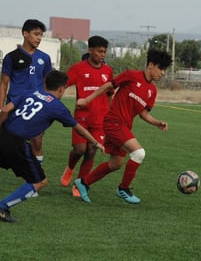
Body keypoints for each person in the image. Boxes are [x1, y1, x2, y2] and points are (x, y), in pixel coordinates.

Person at [0, 70, 105, 223]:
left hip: (2, 134)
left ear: (45, 84)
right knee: (40, 182)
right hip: (17, 143)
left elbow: (5, 109)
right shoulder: (57, 106)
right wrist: (96, 142)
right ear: (62, 89)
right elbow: (79, 129)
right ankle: (1, 208)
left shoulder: (31, 92)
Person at [73, 49, 172, 204]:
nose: (163, 73)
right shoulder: (131, 75)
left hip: (124, 126)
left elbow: (144, 114)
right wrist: (87, 100)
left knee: (115, 164)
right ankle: (123, 189)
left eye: (165, 70)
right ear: (151, 65)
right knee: (139, 153)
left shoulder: (152, 90)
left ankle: (83, 183)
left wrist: (157, 122)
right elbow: (107, 87)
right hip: (113, 122)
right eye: (161, 68)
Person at [60, 36, 114, 197]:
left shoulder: (108, 71)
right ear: (90, 50)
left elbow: (110, 93)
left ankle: (80, 183)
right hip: (82, 118)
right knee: (79, 149)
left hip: (100, 119)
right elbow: (62, 86)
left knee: (91, 151)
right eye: (99, 51)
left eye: (104, 51)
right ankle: (70, 168)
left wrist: (111, 114)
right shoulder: (78, 68)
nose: (102, 54)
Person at [0, 19, 52, 165]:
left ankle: (36, 177)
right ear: (25, 34)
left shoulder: (45, 58)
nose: (39, 38)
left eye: (41, 35)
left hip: (36, 106)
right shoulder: (11, 57)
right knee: (6, 143)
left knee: (37, 140)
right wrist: (0, 108)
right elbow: (3, 84)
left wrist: (47, 105)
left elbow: (48, 85)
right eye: (36, 34)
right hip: (14, 105)